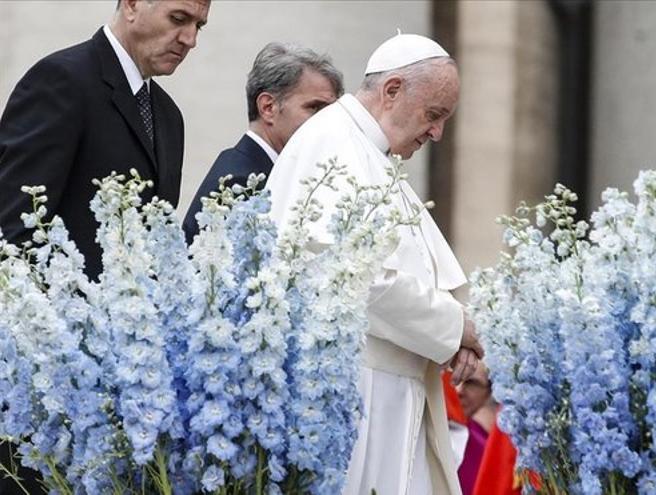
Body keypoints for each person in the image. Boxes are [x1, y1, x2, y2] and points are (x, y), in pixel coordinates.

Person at [266, 33, 484, 495]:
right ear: (392, 91)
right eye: (434, 114)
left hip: (392, 390)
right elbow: (351, 275)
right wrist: (456, 327)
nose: (438, 133)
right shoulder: (330, 145)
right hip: (357, 394)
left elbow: (420, 270)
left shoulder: (371, 154)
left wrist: (455, 335)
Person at [0, 0, 209, 280]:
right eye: (178, 18)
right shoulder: (61, 81)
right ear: (132, 5)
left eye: (198, 25)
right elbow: (14, 230)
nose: (190, 39)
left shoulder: (168, 116)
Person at [182, 42, 342, 242]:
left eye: (332, 111)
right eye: (315, 108)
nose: (328, 121)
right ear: (268, 107)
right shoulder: (240, 182)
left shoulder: (261, 168)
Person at [456, 362, 498, 495]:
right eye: (453, 377)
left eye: (472, 383)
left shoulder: (486, 452)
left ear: (487, 394)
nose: (459, 390)